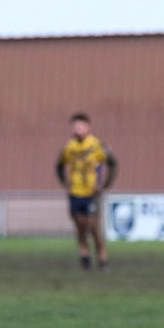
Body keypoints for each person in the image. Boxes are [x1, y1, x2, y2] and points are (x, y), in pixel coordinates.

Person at [56, 112, 117, 270]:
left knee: (93, 226)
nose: (78, 127)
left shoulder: (95, 144)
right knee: (80, 226)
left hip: (91, 193)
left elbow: (112, 163)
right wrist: (65, 182)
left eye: (81, 124)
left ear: (88, 127)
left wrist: (104, 186)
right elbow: (59, 165)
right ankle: (84, 257)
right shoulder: (69, 146)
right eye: (75, 125)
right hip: (75, 192)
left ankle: (102, 259)